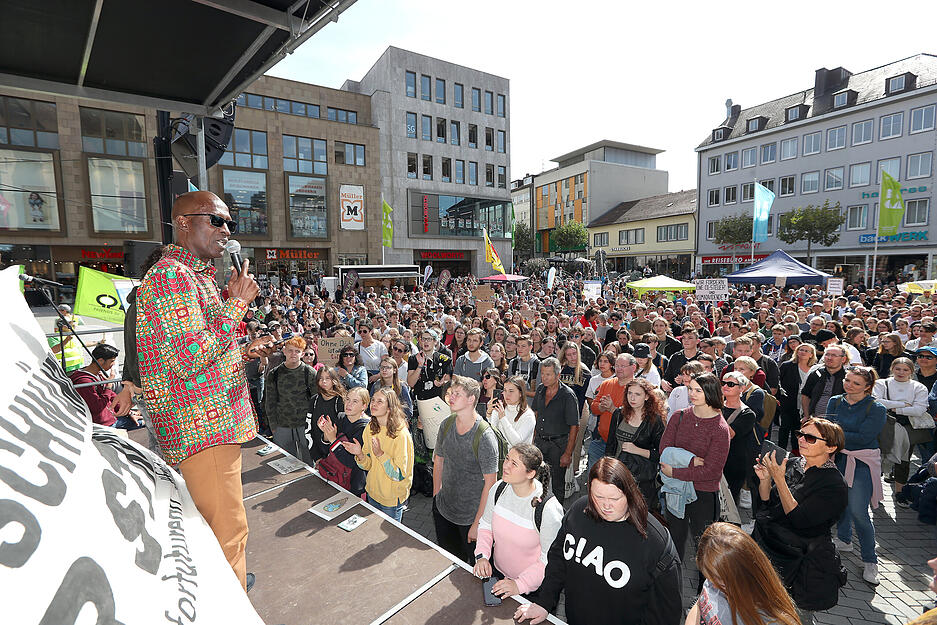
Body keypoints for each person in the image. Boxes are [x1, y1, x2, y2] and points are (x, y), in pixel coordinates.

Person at [136, 190, 273, 592]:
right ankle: (231, 604)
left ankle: (226, 584)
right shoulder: (169, 276)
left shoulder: (196, 277)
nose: (226, 231)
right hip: (203, 429)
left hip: (214, 424)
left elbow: (207, 349)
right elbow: (187, 355)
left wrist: (244, 348)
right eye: (216, 221)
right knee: (228, 530)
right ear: (183, 223)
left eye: (228, 222)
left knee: (219, 526)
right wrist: (237, 305)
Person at [513, 457, 682, 625]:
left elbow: (666, 613)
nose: (605, 506)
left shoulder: (656, 542)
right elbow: (558, 560)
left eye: (615, 499)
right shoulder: (579, 512)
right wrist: (545, 602)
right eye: (598, 497)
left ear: (630, 493)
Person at [754, 418, 848, 622]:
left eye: (810, 438)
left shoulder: (834, 485)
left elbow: (799, 520)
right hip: (772, 552)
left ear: (831, 447)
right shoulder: (794, 463)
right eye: (800, 434)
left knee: (794, 618)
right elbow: (766, 503)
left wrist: (779, 479)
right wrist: (766, 479)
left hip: (802, 567)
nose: (802, 440)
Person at [659, 372, 731, 590]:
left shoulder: (720, 428)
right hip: (675, 492)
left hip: (703, 494)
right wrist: (692, 461)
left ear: (711, 393)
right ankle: (670, 591)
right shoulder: (679, 416)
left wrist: (676, 471)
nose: (692, 394)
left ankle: (705, 595)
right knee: (673, 544)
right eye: (690, 389)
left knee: (705, 549)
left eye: (698, 390)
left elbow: (712, 471)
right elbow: (664, 451)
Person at [473, 444, 564, 599]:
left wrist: (519, 585)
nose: (506, 466)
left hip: (532, 590)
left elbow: (549, 558)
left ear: (531, 473)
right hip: (498, 576)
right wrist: (481, 556)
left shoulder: (548, 509)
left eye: (514, 464)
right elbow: (486, 525)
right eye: (507, 459)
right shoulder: (498, 489)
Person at [827, 365, 887, 585]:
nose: (849, 385)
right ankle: (844, 539)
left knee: (859, 511)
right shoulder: (835, 400)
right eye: (847, 380)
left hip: (861, 461)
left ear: (868, 387)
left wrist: (837, 433)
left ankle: (870, 560)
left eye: (856, 383)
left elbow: (863, 438)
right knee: (840, 502)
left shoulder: (876, 408)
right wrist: (835, 434)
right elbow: (827, 429)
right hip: (837, 458)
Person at [432, 375, 499, 563]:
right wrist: (436, 496)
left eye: (457, 394)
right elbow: (439, 461)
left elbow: (490, 483)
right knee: (449, 562)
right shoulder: (446, 425)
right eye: (451, 393)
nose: (451, 397)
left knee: (473, 572)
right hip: (444, 511)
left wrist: (478, 523)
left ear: (471, 399)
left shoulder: (484, 436)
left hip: (470, 518)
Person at [688, 522, 801, 625]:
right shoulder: (716, 577)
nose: (714, 585)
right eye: (709, 577)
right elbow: (700, 605)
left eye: (720, 580)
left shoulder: (773, 620)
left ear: (744, 574)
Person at [343, 387, 414, 521]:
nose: (373, 404)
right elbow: (368, 466)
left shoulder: (401, 434)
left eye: (379, 401)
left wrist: (381, 454)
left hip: (391, 500)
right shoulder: (370, 428)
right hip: (372, 493)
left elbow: (398, 474)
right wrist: (359, 454)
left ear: (389, 408)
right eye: (373, 400)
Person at [604, 378, 666, 510]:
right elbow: (610, 445)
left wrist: (637, 450)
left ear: (647, 397)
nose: (632, 398)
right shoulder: (618, 414)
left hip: (641, 478)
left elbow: (662, 454)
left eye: (637, 394)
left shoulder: (654, 420)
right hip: (617, 474)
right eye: (629, 393)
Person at [873, 357, 930, 494]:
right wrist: (903, 404)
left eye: (905, 369)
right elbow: (875, 402)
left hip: (907, 427)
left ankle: (899, 492)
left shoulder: (918, 387)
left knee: (903, 460)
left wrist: (893, 407)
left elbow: (920, 409)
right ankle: (875, 490)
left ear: (911, 371)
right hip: (883, 424)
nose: (901, 372)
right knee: (878, 457)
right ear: (892, 369)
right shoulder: (881, 383)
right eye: (898, 369)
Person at [532, 357, 581, 504]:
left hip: (558, 445)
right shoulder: (540, 389)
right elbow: (535, 415)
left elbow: (575, 426)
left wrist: (568, 453)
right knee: (537, 480)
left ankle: (558, 514)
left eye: (548, 374)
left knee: (558, 483)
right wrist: (533, 440)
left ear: (557, 375)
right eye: (542, 374)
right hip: (540, 442)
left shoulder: (567, 395)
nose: (544, 378)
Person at [264, 336, 318, 464]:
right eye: (290, 350)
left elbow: (316, 401)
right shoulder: (274, 374)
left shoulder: (309, 372)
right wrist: (273, 427)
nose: (293, 354)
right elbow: (269, 402)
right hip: (282, 426)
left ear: (302, 353)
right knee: (286, 462)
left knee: (309, 463)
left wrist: (314, 425)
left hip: (305, 426)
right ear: (284, 351)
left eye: (297, 351)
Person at [69, 343, 141, 429]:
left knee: (142, 417)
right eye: (112, 361)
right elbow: (97, 408)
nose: (113, 364)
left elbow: (112, 398)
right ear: (100, 361)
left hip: (111, 416)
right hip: (104, 423)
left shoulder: (96, 374)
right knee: (146, 423)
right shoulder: (84, 382)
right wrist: (109, 386)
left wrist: (129, 413)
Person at [317, 386, 369, 496]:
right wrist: (326, 434)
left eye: (355, 401)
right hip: (335, 477)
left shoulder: (365, 428)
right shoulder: (341, 417)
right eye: (348, 399)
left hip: (353, 485)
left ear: (364, 406)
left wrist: (332, 439)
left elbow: (350, 462)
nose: (349, 404)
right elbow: (326, 450)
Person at [589, 353, 637, 471]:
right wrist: (601, 407)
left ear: (633, 367)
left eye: (623, 366)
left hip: (623, 446)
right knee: (594, 477)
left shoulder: (638, 389)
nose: (619, 369)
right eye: (617, 365)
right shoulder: (606, 383)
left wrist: (613, 409)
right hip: (600, 441)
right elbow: (593, 407)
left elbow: (636, 417)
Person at [720, 371, 758, 506]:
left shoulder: (747, 414)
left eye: (730, 384)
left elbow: (729, 434)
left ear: (741, 388)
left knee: (728, 503)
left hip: (733, 464)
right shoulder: (717, 406)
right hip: (714, 460)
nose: (725, 386)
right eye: (723, 383)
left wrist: (714, 413)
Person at [778, 343, 817, 452]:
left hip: (805, 403)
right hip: (788, 402)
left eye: (806, 351)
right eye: (801, 350)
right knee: (784, 428)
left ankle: (796, 453)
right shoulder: (787, 365)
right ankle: (780, 452)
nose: (803, 352)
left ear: (811, 354)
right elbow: (778, 381)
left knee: (799, 429)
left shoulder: (815, 369)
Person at [305, 366, 346, 462]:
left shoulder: (341, 401)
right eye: (321, 379)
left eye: (327, 378)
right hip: (318, 454)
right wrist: (316, 457)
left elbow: (343, 431)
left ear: (334, 380)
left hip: (336, 455)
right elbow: (308, 430)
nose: (324, 381)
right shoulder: (314, 400)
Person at [801, 344, 849, 420]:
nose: (829, 358)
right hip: (815, 420)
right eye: (827, 355)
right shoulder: (816, 373)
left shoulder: (848, 378)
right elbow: (805, 395)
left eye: (834, 355)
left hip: (838, 422)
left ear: (843, 359)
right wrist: (806, 415)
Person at [488, 376, 536, 445]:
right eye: (504, 390)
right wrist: (489, 414)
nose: (507, 394)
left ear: (520, 393)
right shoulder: (500, 408)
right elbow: (492, 435)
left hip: (520, 454)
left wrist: (503, 418)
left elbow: (516, 443)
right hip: (501, 454)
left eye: (511, 391)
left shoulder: (528, 415)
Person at [370, 355, 413, 420]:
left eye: (388, 367)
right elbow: (370, 405)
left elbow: (408, 410)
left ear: (394, 370)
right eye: (382, 367)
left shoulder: (401, 386)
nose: (384, 370)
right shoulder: (376, 385)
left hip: (397, 421)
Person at [355, 318, 388, 383]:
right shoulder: (356, 347)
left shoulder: (380, 346)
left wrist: (378, 376)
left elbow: (387, 364)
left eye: (365, 331)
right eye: (360, 332)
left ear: (371, 331)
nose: (362, 334)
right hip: (362, 380)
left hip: (377, 379)